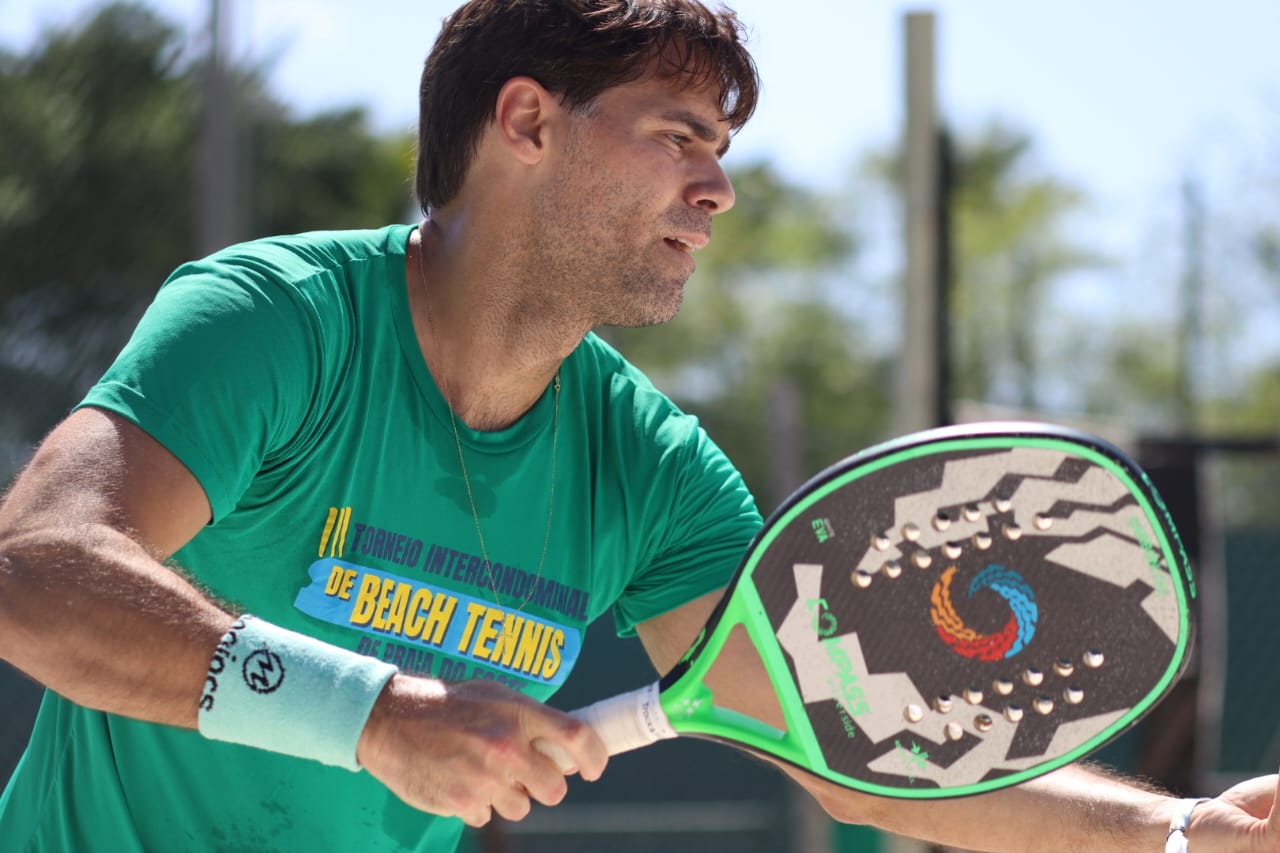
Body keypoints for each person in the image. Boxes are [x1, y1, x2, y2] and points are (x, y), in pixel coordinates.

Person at [0, 0, 1276, 850]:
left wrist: (1179, 834)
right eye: (679, 136)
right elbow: (37, 573)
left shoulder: (648, 464)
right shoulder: (282, 320)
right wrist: (376, 714)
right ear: (526, 121)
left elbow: (840, 741)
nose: (716, 188)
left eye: (720, 148)